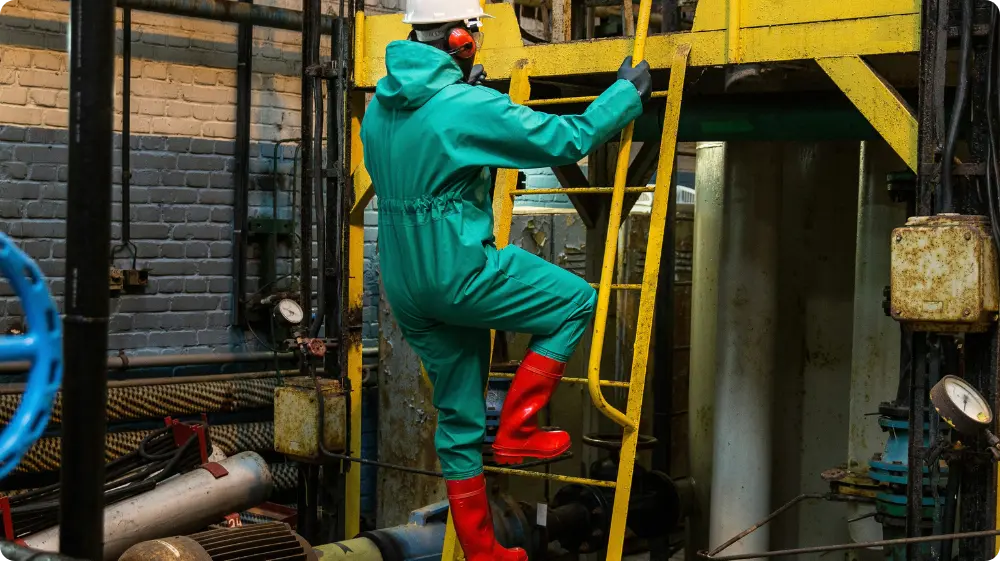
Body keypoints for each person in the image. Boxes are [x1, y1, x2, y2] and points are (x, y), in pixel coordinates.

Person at [360, 1, 651, 558]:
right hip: (457, 269)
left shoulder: (379, 109)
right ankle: (518, 428)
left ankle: (484, 552)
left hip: (404, 282)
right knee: (574, 302)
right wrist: (623, 95)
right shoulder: (468, 106)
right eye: (474, 34)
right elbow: (566, 139)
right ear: (460, 40)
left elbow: (417, 161)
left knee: (458, 419)